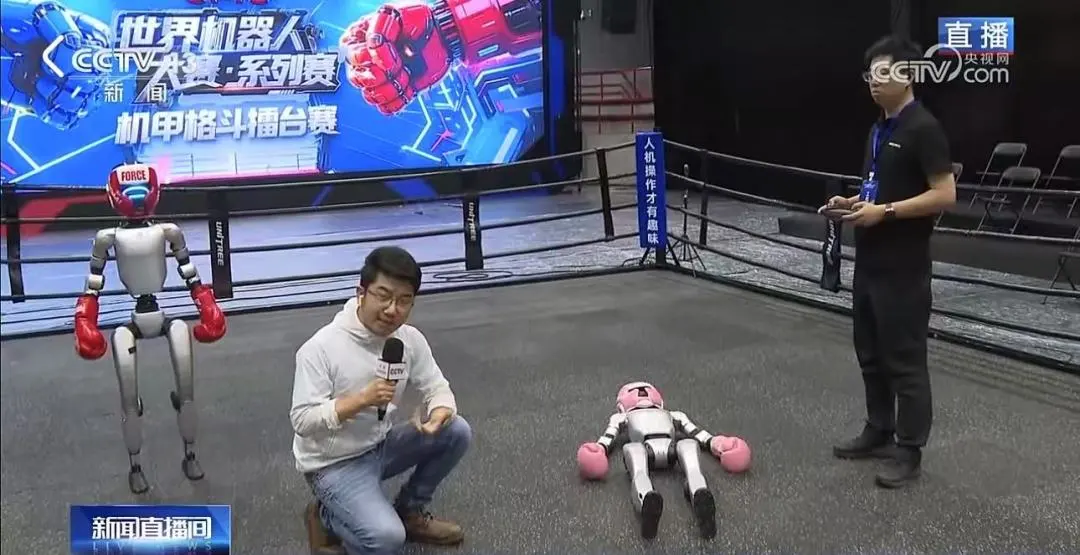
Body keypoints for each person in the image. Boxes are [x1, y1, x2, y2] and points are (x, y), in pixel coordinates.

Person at [821, 35, 956, 489]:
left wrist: (887, 212)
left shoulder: (924, 128)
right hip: (870, 262)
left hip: (904, 266)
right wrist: (852, 203)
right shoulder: (879, 130)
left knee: (905, 359)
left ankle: (909, 449)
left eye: (883, 73)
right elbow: (879, 189)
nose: (874, 83)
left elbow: (945, 194)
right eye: (870, 75)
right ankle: (878, 429)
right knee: (870, 352)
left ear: (909, 74)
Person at [291, 246, 472, 554]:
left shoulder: (408, 340)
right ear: (361, 293)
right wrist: (361, 399)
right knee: (387, 539)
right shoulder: (320, 348)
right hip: (333, 464)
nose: (392, 310)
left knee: (456, 430)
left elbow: (437, 387)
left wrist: (440, 411)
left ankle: (410, 511)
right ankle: (325, 517)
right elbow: (302, 421)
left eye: (404, 301)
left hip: (380, 445)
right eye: (383, 296)